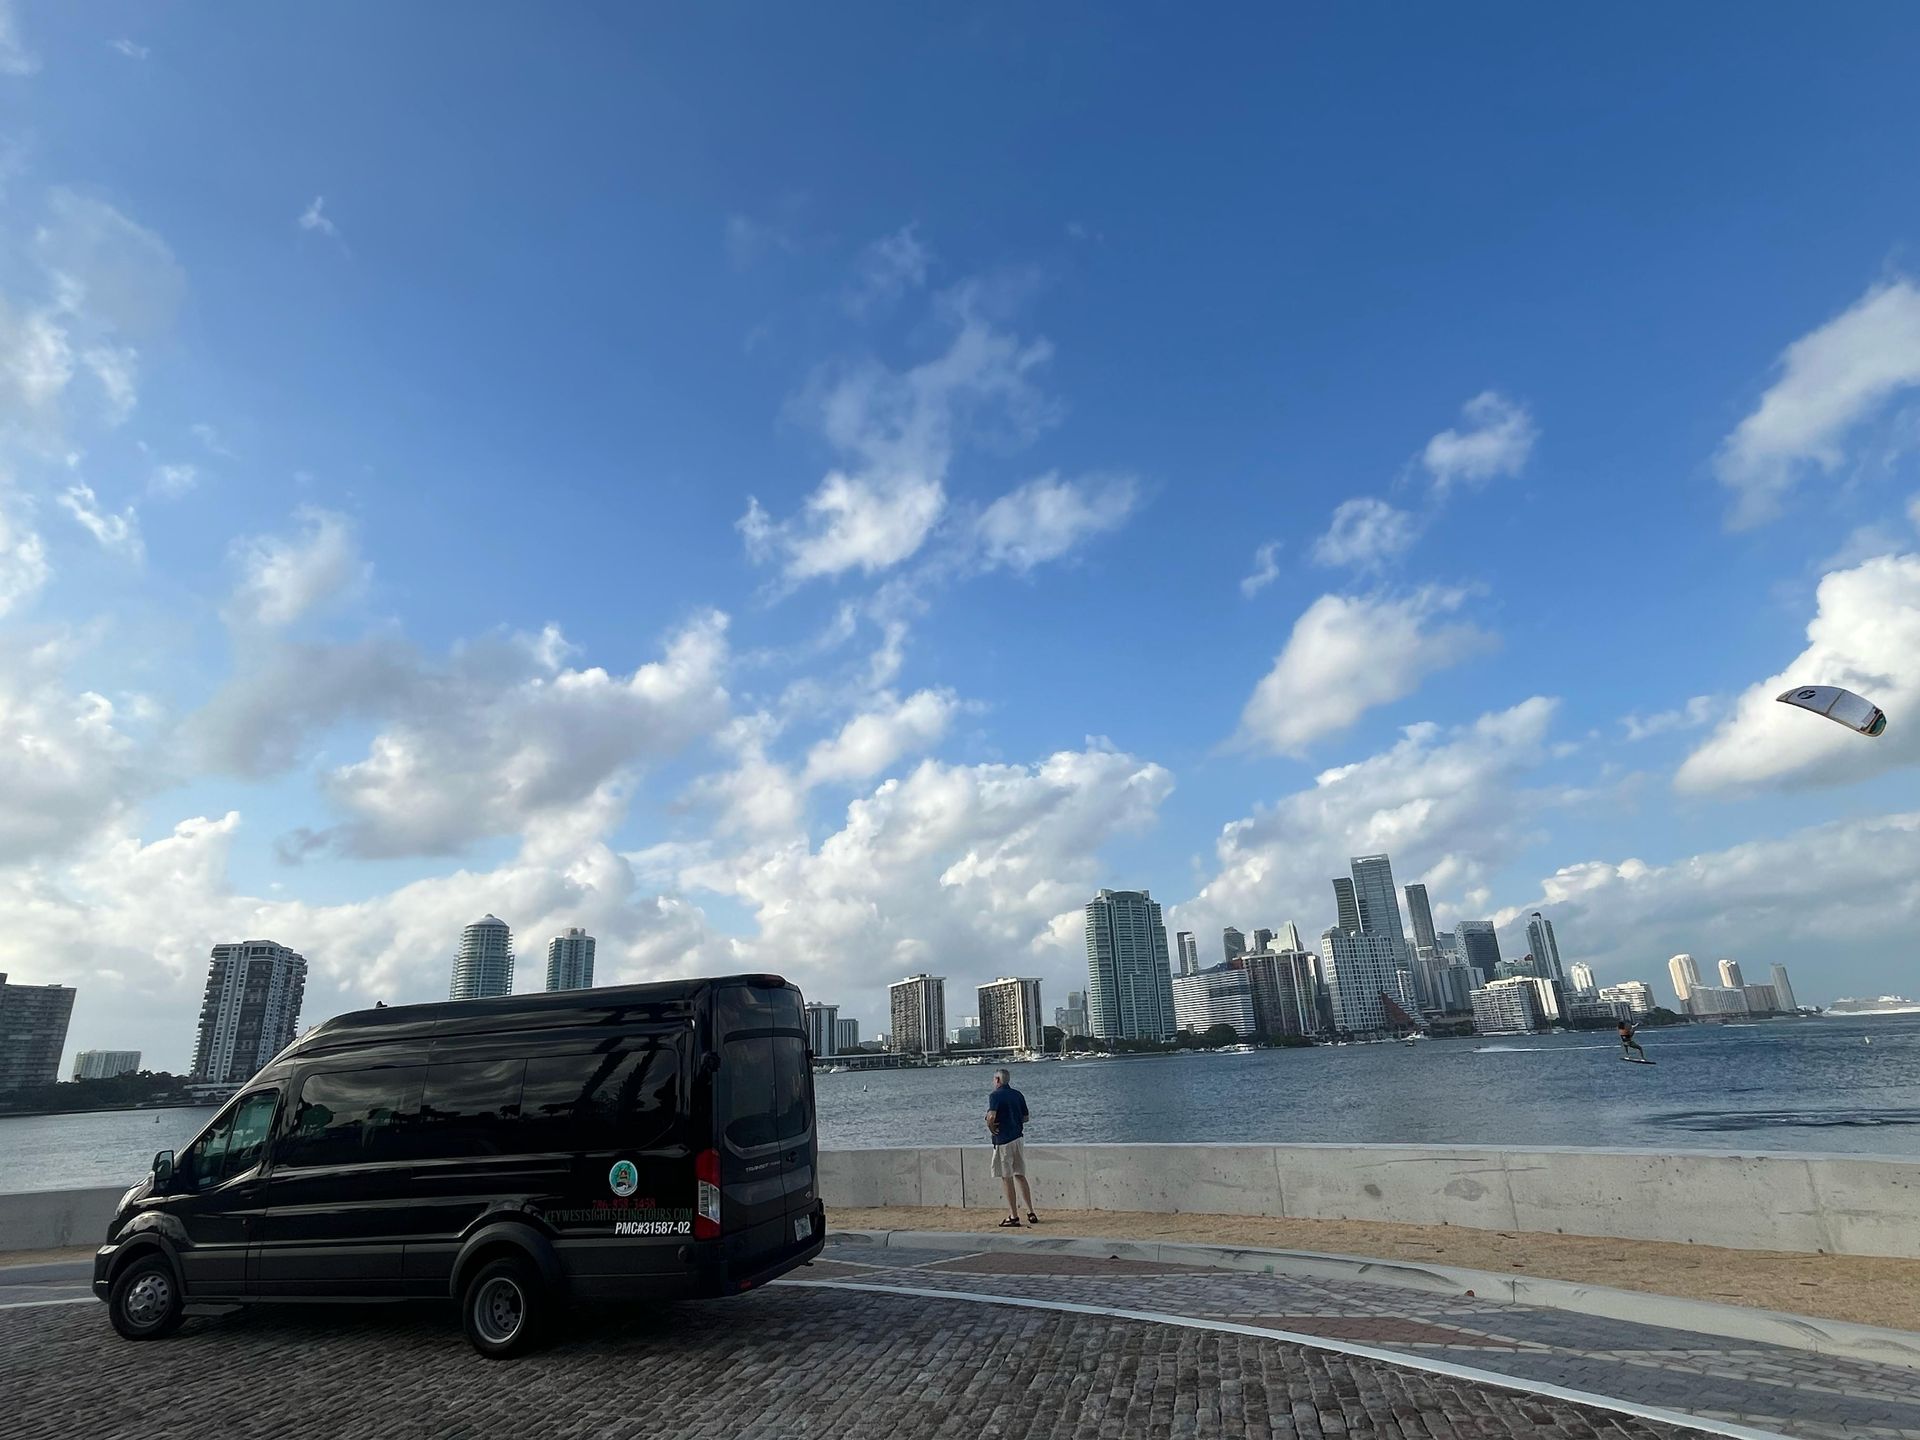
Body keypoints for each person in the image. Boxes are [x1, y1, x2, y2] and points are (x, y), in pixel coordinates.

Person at [985, 1068, 1036, 1227]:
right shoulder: (1018, 1094)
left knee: (1006, 1178)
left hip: (1004, 1140)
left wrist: (990, 1126)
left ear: (998, 1080)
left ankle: (1013, 1216)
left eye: (994, 1079)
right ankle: (1030, 1211)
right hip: (1018, 1138)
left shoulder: (994, 1096)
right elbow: (1026, 1118)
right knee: (1020, 1174)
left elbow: (992, 1116)